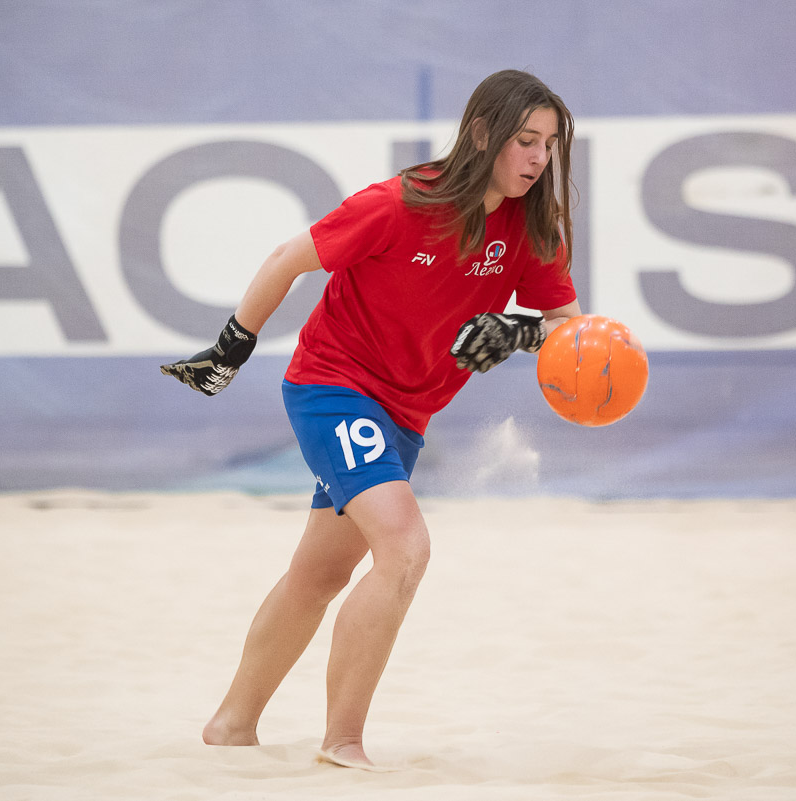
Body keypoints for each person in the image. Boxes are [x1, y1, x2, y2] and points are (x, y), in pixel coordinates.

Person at [160, 69, 582, 769]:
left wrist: (521, 332)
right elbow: (287, 259)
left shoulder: (532, 228)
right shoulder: (399, 204)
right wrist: (230, 349)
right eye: (526, 140)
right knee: (405, 549)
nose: (539, 158)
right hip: (334, 387)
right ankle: (343, 742)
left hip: (406, 414)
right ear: (482, 134)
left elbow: (572, 329)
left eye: (550, 145)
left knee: (318, 576)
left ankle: (231, 725)